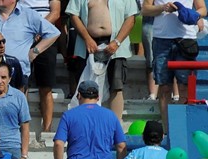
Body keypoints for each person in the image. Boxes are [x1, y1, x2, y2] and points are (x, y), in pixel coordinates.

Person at [66, 0, 138, 120]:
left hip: (116, 46)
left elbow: (130, 18)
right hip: (87, 46)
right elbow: (74, 15)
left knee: (116, 86)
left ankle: (115, 127)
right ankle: (87, 123)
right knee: (86, 87)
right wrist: (87, 38)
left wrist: (117, 41)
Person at [142, 0, 206, 129]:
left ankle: (184, 126)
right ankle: (167, 129)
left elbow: (203, 8)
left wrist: (193, 15)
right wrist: (162, 7)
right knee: (164, 87)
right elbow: (145, 9)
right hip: (162, 39)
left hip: (186, 38)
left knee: (184, 87)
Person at [0, 0, 60, 83]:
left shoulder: (29, 15)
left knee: (18, 103)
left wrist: (34, 52)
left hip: (17, 76)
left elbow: (53, 33)